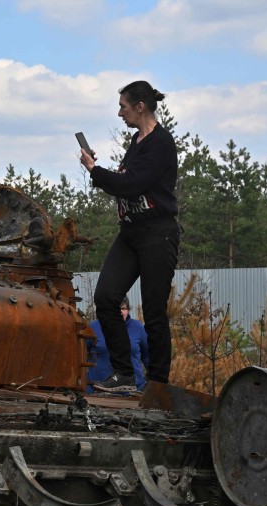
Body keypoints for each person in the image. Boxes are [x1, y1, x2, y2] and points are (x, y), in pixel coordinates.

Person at [80, 80, 179, 393]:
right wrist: (101, 170)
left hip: (157, 233)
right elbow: (125, 180)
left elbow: (132, 185)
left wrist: (95, 171)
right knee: (106, 298)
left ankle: (158, 383)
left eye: (123, 106)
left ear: (140, 106)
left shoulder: (161, 143)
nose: (119, 112)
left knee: (153, 310)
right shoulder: (136, 142)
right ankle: (124, 374)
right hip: (131, 232)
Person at [86, 299, 148, 393]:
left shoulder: (138, 328)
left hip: (133, 393)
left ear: (128, 310)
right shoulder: (93, 328)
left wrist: (155, 384)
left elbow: (148, 357)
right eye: (115, 309)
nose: (120, 312)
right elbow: (78, 355)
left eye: (123, 308)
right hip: (98, 392)